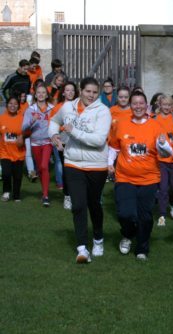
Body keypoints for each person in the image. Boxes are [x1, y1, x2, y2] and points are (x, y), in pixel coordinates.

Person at [49, 77, 111, 264]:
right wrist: (53, 135)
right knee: (77, 205)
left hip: (96, 165)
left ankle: (98, 238)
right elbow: (53, 120)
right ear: (80, 90)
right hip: (73, 162)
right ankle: (82, 248)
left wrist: (73, 132)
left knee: (94, 204)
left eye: (94, 92)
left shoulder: (103, 111)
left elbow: (98, 140)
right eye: (87, 91)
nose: (91, 95)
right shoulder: (68, 107)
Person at [108, 91, 173, 261]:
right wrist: (109, 163)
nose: (138, 106)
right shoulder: (121, 124)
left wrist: (162, 144)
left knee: (145, 216)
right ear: (130, 106)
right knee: (125, 214)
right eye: (134, 103)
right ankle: (128, 234)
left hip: (149, 179)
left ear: (147, 106)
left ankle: (142, 248)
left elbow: (168, 153)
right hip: (124, 177)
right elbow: (114, 146)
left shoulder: (155, 126)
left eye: (141, 103)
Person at [22, 83, 54, 207]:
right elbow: (23, 127)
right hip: (35, 143)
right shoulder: (30, 109)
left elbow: (57, 123)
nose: (41, 94)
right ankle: (44, 191)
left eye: (43, 92)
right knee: (41, 169)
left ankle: (45, 195)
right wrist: (32, 120)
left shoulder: (52, 108)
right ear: (35, 94)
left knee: (44, 166)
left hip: (47, 142)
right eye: (38, 92)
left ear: (47, 95)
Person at [155, 95, 173, 226]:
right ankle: (162, 215)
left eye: (169, 105)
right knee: (162, 188)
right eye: (164, 104)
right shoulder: (154, 119)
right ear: (159, 105)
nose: (166, 107)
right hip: (160, 160)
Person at [49, 81, 79, 210]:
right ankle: (67, 196)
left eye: (72, 90)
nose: (70, 92)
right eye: (67, 90)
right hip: (63, 142)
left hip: (78, 143)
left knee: (78, 171)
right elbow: (52, 123)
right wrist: (56, 138)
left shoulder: (79, 106)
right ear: (63, 92)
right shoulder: (58, 107)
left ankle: (78, 196)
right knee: (67, 171)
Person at [0, 97, 26, 201]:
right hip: (4, 152)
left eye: (15, 104)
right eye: (10, 103)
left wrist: (22, 137)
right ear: (7, 105)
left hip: (19, 153)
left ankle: (16, 195)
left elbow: (28, 132)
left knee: (18, 176)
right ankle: (6, 192)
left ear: (18, 106)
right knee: (6, 173)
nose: (13, 106)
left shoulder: (22, 119)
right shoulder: (1, 118)